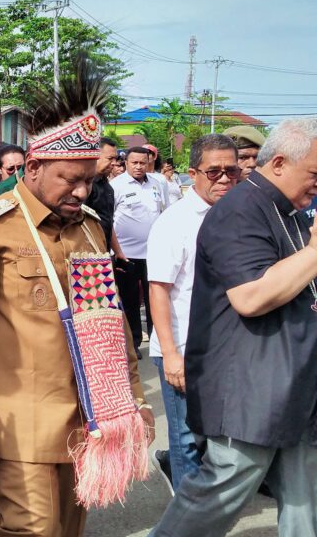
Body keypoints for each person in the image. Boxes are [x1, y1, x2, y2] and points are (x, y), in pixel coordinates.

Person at [0, 64, 153, 537]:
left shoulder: (91, 226)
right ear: (33, 168)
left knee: (64, 530)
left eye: (90, 178)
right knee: (31, 529)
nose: (82, 190)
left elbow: (111, 324)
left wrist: (133, 399)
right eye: (70, 178)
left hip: (88, 419)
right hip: (18, 421)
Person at [150, 117, 317, 535]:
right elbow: (251, 296)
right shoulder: (239, 211)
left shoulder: (290, 211)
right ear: (279, 162)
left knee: (304, 494)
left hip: (294, 377)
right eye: (314, 174)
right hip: (251, 383)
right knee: (224, 487)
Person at [146, 134, 239, 495]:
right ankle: (186, 519)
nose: (224, 179)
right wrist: (171, 355)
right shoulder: (176, 222)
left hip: (227, 348)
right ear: (193, 173)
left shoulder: (238, 216)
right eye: (214, 171)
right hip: (183, 347)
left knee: (215, 435)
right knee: (186, 438)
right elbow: (159, 289)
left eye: (231, 171)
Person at [111, 146, 165, 358]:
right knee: (130, 301)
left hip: (154, 253)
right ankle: (133, 344)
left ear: (149, 162)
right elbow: (109, 220)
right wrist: (115, 252)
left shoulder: (157, 183)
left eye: (143, 163)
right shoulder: (116, 186)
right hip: (126, 255)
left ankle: (157, 341)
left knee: (156, 299)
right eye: (134, 162)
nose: (139, 166)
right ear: (126, 163)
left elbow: (165, 212)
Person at [84, 137, 119, 248]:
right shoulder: (84, 186)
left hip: (104, 251)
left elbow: (108, 222)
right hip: (87, 252)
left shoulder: (108, 187)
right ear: (95, 156)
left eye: (115, 159)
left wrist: (118, 252)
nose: (114, 163)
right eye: (110, 158)